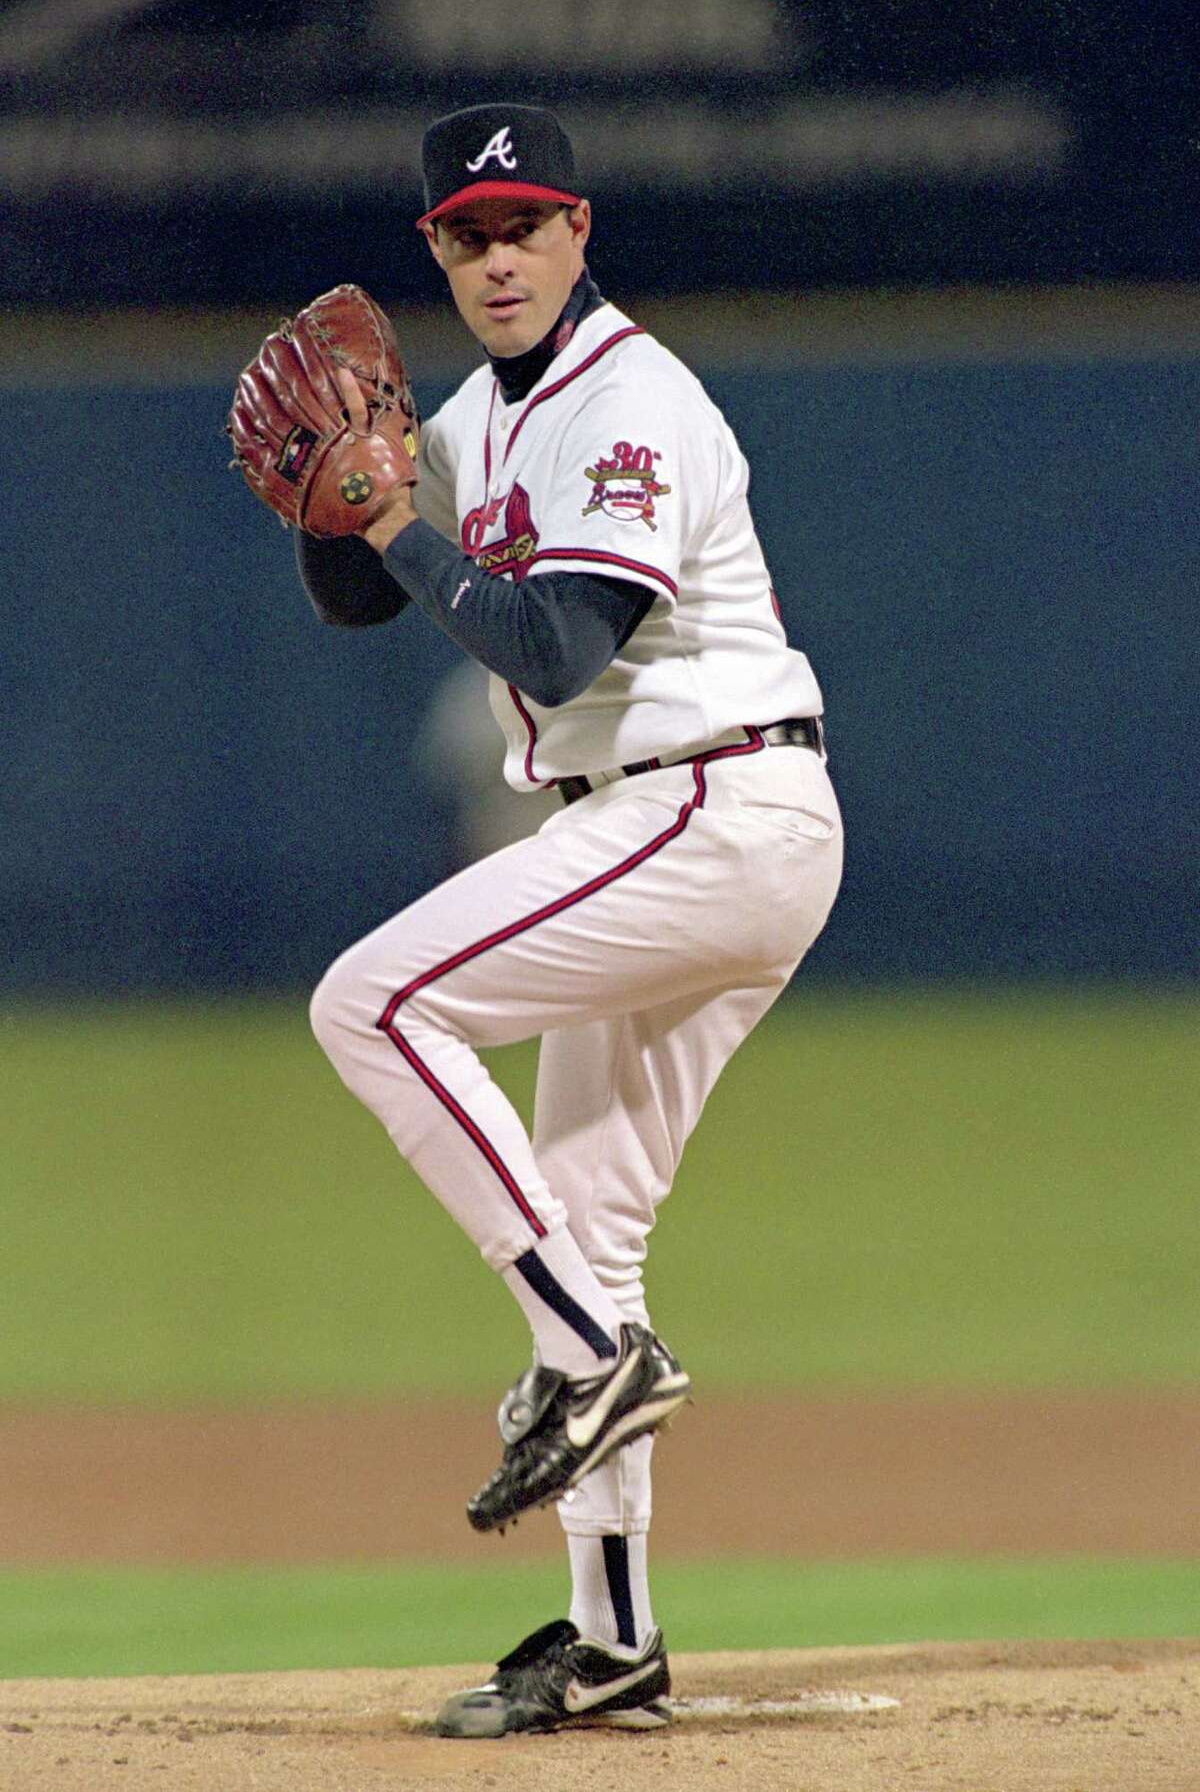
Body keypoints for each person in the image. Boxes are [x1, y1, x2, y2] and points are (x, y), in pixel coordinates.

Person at [297, 103, 843, 1737]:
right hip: (676, 825)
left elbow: (551, 648)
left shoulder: (636, 403)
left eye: (525, 225)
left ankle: (587, 1352)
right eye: (467, 237)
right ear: (438, 256)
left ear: (581, 230)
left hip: (710, 805)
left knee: (372, 1002)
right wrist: (335, 500)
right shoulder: (471, 414)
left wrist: (398, 523)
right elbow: (355, 592)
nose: (499, 257)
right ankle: (615, 1643)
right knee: (593, 1228)